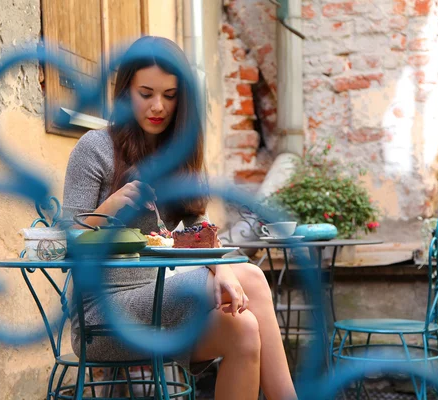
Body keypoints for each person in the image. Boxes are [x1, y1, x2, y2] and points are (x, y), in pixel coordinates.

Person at [62, 36, 296, 400]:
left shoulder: (178, 156)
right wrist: (110, 208)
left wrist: (223, 270)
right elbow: (66, 243)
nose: (158, 106)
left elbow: (199, 233)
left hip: (161, 303)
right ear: (126, 93)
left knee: (245, 329)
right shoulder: (94, 148)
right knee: (250, 275)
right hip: (102, 318)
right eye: (146, 93)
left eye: (170, 96)